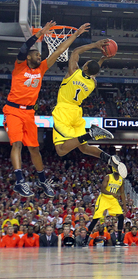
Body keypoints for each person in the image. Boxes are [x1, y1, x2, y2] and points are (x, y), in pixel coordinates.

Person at [3, 21, 91, 197]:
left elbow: (58, 51)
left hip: (29, 112)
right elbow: (23, 48)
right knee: (17, 144)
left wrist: (76, 35)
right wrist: (38, 34)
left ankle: (42, 180)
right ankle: (20, 180)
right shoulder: (20, 66)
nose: (39, 57)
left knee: (35, 148)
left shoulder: (41, 68)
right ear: (29, 57)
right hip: (13, 110)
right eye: (36, 55)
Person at [52, 38, 127, 179]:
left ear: (84, 67)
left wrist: (95, 45)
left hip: (64, 110)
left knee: (61, 150)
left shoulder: (73, 72)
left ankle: (91, 134)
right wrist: (102, 59)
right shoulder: (92, 83)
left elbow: (76, 52)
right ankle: (109, 158)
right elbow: (94, 71)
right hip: (77, 113)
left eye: (85, 64)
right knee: (83, 147)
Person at [86, 167, 127, 247]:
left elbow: (122, 192)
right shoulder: (108, 177)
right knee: (95, 219)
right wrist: (112, 193)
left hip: (112, 200)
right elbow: (102, 190)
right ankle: (85, 240)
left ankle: (119, 241)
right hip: (104, 198)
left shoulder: (121, 180)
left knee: (121, 217)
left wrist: (124, 205)